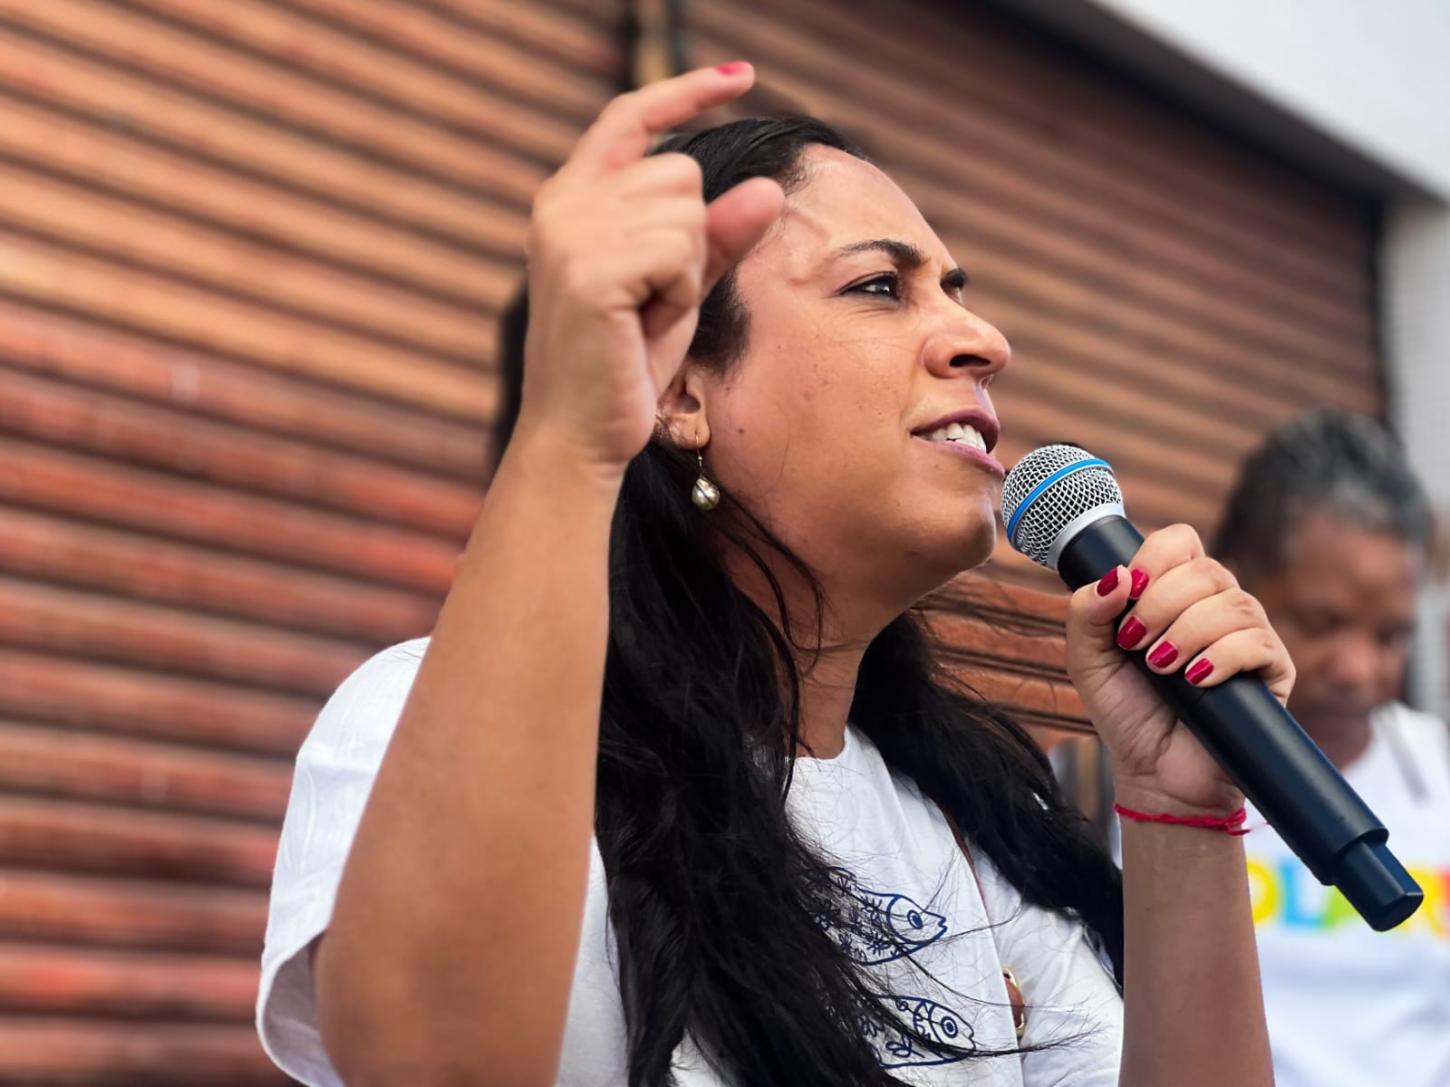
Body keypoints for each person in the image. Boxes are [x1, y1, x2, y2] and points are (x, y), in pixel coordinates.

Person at [256, 64, 1285, 1086]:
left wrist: (1181, 814)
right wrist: (571, 434)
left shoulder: (975, 811)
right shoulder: (427, 718)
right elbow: (437, 1060)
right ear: (678, 391)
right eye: (879, 287)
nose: (984, 341)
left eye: (954, 293)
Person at [1212, 408, 1450, 1087]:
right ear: (1230, 583)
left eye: (1391, 636)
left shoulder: (1440, 775)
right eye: (1321, 623)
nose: (1357, 670)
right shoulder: (1119, 777)